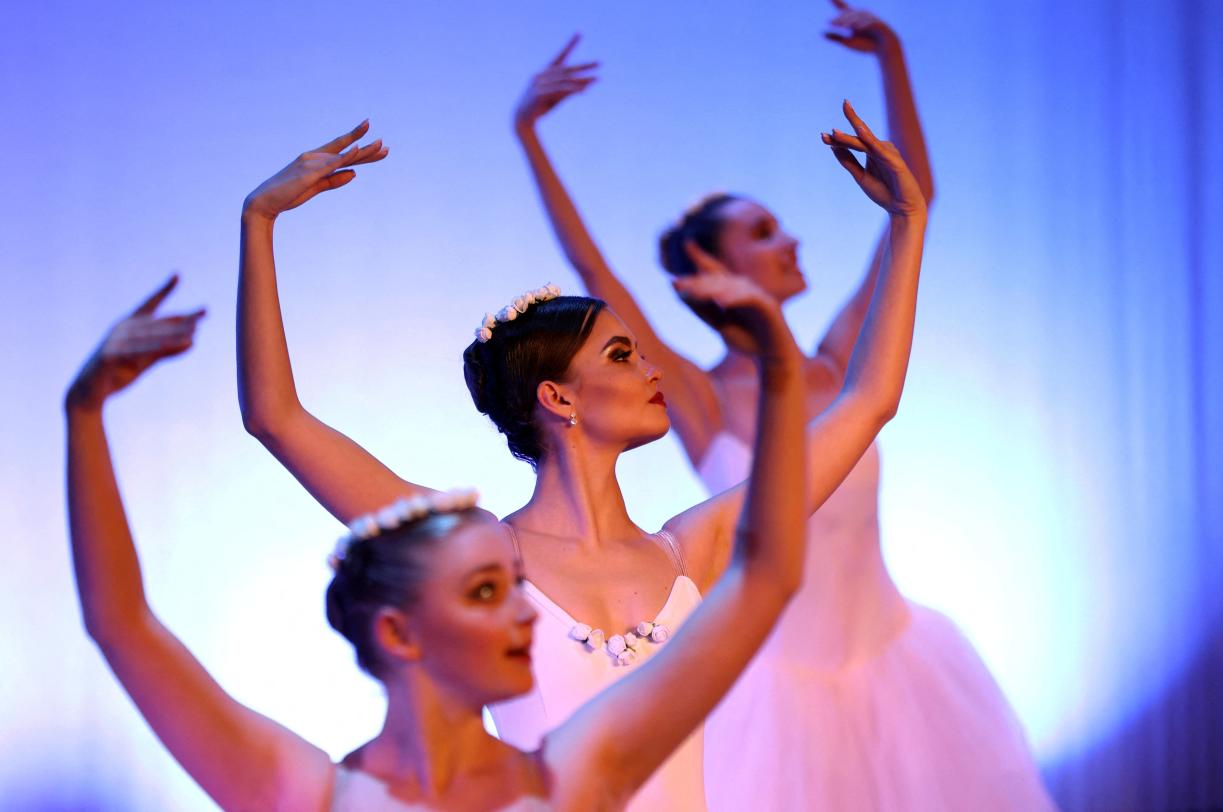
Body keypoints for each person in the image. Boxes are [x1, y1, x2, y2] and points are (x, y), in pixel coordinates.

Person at [237, 98, 924, 809]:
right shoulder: (476, 550)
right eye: (623, 355)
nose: (652, 370)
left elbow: (869, 401)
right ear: (558, 397)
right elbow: (277, 420)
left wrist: (908, 224)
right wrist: (259, 221)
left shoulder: (696, 550)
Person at [512, 5, 1052, 810]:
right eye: (762, 233)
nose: (790, 241)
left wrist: (892, 58)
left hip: (898, 670)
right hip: (770, 703)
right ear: (706, 263)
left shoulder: (839, 369)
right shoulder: (689, 395)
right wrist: (528, 135)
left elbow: (915, 207)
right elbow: (589, 263)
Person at [65, 258, 808, 808]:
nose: (526, 606)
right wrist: (85, 419)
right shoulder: (316, 796)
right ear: (398, 630)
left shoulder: (577, 777)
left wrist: (779, 365)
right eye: (490, 588)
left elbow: (768, 575)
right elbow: (122, 626)